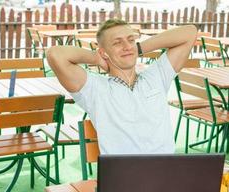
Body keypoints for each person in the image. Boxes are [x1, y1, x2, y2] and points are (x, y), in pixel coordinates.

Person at [46, 19, 197, 154]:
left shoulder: (156, 76)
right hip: (122, 177)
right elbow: (55, 54)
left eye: (130, 40)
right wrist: (97, 59)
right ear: (104, 52)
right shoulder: (94, 89)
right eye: (117, 42)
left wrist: (138, 48)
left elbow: (190, 32)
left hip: (165, 173)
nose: (126, 46)